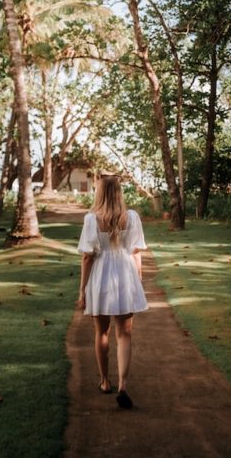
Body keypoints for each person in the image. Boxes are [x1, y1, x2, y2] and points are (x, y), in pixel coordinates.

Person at [76, 175, 148, 409]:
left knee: (102, 332)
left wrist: (82, 290)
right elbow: (136, 252)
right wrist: (138, 280)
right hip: (126, 274)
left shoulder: (91, 219)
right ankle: (123, 386)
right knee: (125, 334)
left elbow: (87, 257)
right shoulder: (132, 217)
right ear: (119, 192)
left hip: (101, 276)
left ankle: (105, 381)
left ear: (99, 192)